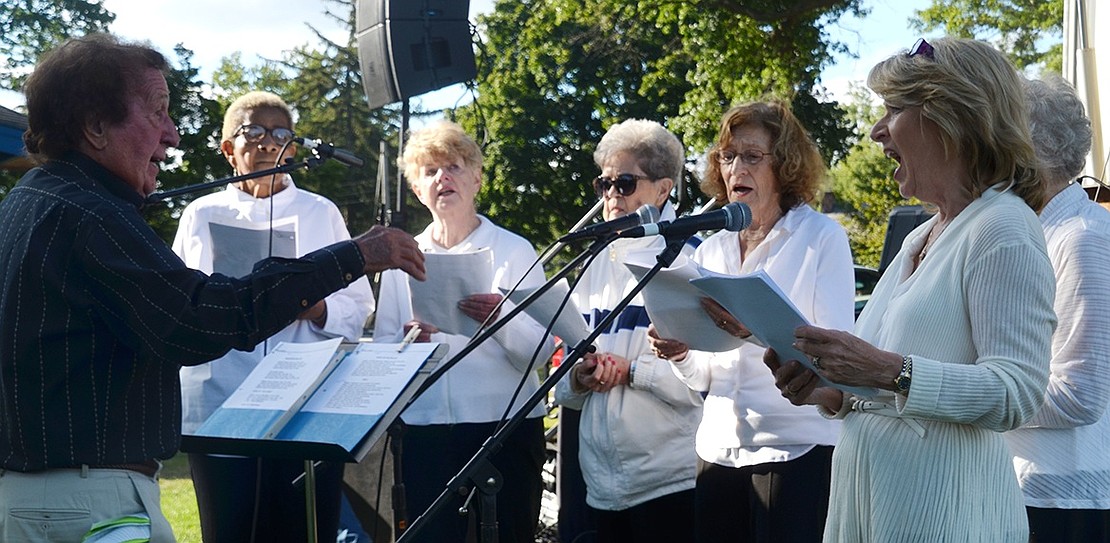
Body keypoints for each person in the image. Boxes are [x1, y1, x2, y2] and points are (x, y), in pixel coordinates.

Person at [0, 33, 424, 543]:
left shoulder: (30, 202)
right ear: (94, 127)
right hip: (89, 503)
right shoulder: (92, 215)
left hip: (42, 495)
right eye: (158, 112)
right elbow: (200, 319)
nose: (174, 135)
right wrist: (355, 254)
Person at [762, 37, 1057, 542]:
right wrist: (829, 388)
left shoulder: (1002, 227)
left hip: (949, 516)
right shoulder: (923, 234)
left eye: (895, 109)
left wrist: (887, 369)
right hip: (874, 508)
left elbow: (1017, 392)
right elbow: (893, 389)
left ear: (953, 117)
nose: (877, 131)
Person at [646, 100, 855, 542]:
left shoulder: (820, 237)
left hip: (795, 448)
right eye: (727, 156)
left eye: (752, 156)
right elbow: (704, 374)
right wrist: (681, 351)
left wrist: (753, 331)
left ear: (784, 165)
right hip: (718, 448)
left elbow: (838, 354)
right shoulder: (710, 248)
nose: (736, 167)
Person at [173, 90, 375, 542]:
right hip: (220, 398)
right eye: (255, 131)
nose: (269, 143)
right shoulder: (201, 213)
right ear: (228, 149)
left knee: (301, 529)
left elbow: (360, 304)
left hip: (303, 404)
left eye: (282, 133)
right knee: (229, 530)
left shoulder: (319, 212)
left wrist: (317, 306)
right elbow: (179, 301)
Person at [372, 120, 554, 542]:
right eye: (430, 171)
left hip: (504, 426)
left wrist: (499, 320)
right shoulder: (403, 257)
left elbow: (540, 354)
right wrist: (408, 344)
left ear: (476, 178)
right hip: (428, 430)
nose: (443, 178)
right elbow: (383, 351)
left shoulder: (514, 249)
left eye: (453, 166)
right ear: (418, 190)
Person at [553, 119, 703, 543]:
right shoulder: (593, 261)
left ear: (663, 189)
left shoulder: (690, 259)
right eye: (604, 184)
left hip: (670, 481)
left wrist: (632, 371)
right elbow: (563, 383)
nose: (611, 196)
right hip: (600, 486)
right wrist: (580, 377)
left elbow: (705, 384)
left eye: (624, 182)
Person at [1006, 76, 1110, 543]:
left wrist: (971, 394)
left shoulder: (1082, 237)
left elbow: (1080, 394)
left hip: (1060, 499)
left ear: (1030, 152)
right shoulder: (1040, 231)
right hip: (1020, 488)